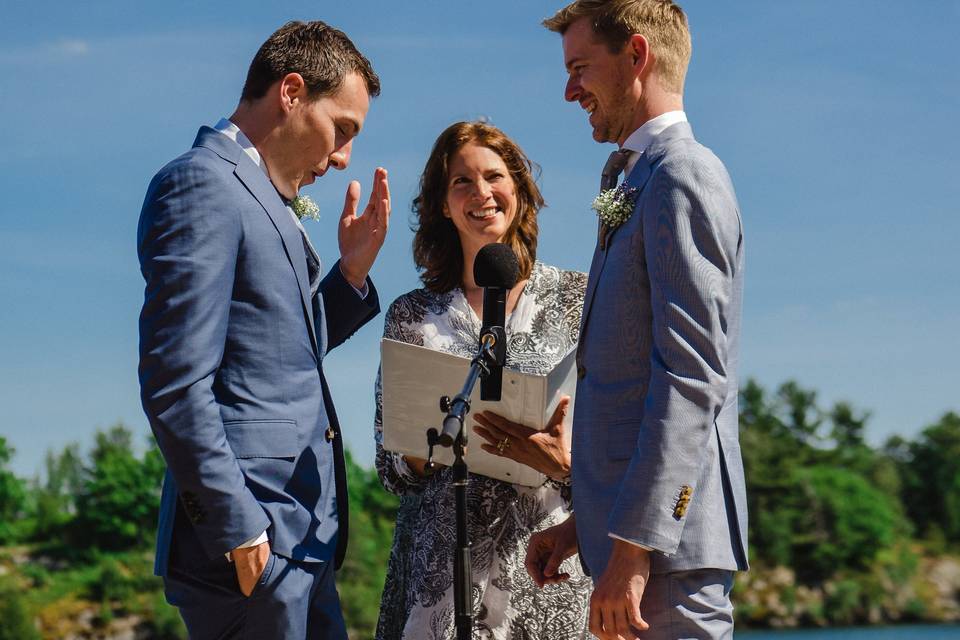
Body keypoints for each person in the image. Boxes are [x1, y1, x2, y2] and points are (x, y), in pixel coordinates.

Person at [137, 21, 390, 639]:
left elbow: (278, 352)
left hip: (303, 541)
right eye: (343, 129)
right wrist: (240, 529)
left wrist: (349, 275)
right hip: (254, 547)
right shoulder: (203, 184)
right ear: (292, 92)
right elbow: (175, 382)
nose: (341, 158)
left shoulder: (259, 196)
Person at [526, 2, 748, 639]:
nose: (570, 90)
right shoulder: (639, 180)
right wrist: (582, 527)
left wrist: (633, 548)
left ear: (637, 56)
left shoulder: (682, 177)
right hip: (633, 552)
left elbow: (691, 377)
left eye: (580, 68)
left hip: (663, 563)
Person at [373, 121, 591, 640]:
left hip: (544, 568)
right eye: (461, 182)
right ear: (442, 205)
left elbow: (613, 451)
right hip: (439, 579)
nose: (481, 193)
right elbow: (389, 468)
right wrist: (424, 447)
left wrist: (564, 465)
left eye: (494, 176)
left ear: (518, 188)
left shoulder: (577, 299)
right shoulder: (412, 314)